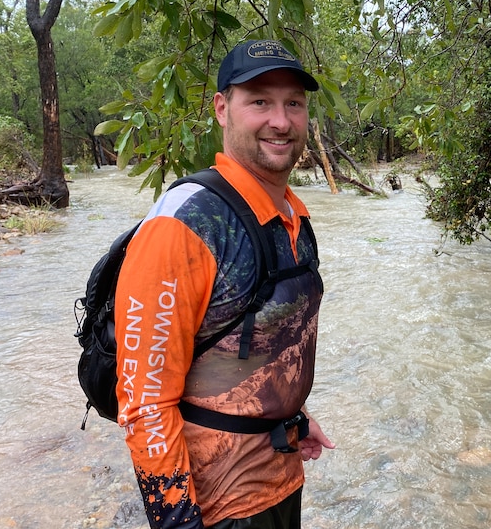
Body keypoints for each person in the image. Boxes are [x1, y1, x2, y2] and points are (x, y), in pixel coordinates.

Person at [114, 39, 335, 529]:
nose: (281, 120)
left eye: (293, 103)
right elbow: (146, 402)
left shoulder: (291, 213)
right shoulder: (184, 225)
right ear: (222, 109)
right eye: (260, 101)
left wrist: (293, 418)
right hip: (219, 505)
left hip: (280, 475)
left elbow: (259, 341)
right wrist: (176, 520)